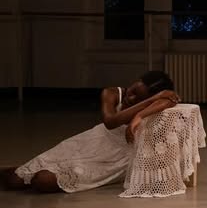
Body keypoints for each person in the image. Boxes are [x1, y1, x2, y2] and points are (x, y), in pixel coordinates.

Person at [1, 71, 179, 193]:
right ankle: (10, 169)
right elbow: (110, 122)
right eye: (133, 91)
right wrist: (149, 102)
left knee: (42, 180)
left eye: (139, 98)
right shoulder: (112, 93)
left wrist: (140, 114)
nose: (131, 97)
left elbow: (171, 99)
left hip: (115, 158)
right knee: (14, 181)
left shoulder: (155, 103)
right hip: (92, 141)